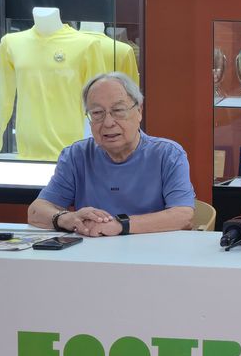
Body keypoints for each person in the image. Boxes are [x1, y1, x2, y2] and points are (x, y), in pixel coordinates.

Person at [27, 72, 196, 236]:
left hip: (153, 251)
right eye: (97, 113)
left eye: (118, 110)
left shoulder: (168, 154)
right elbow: (36, 211)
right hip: (92, 252)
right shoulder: (76, 155)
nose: (108, 123)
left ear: (139, 111)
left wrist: (120, 225)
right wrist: (67, 218)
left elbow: (183, 216)